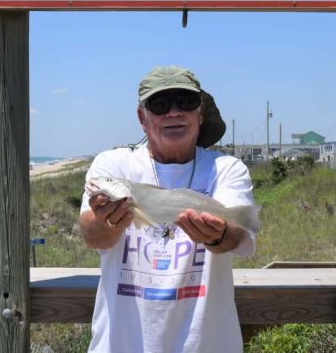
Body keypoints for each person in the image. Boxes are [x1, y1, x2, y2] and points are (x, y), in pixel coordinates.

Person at [80, 65, 257, 353]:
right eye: (160, 104)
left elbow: (237, 235)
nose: (173, 113)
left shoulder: (225, 168)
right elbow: (91, 234)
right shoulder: (112, 166)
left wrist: (217, 234)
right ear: (142, 117)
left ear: (199, 113)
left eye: (185, 102)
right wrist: (107, 222)